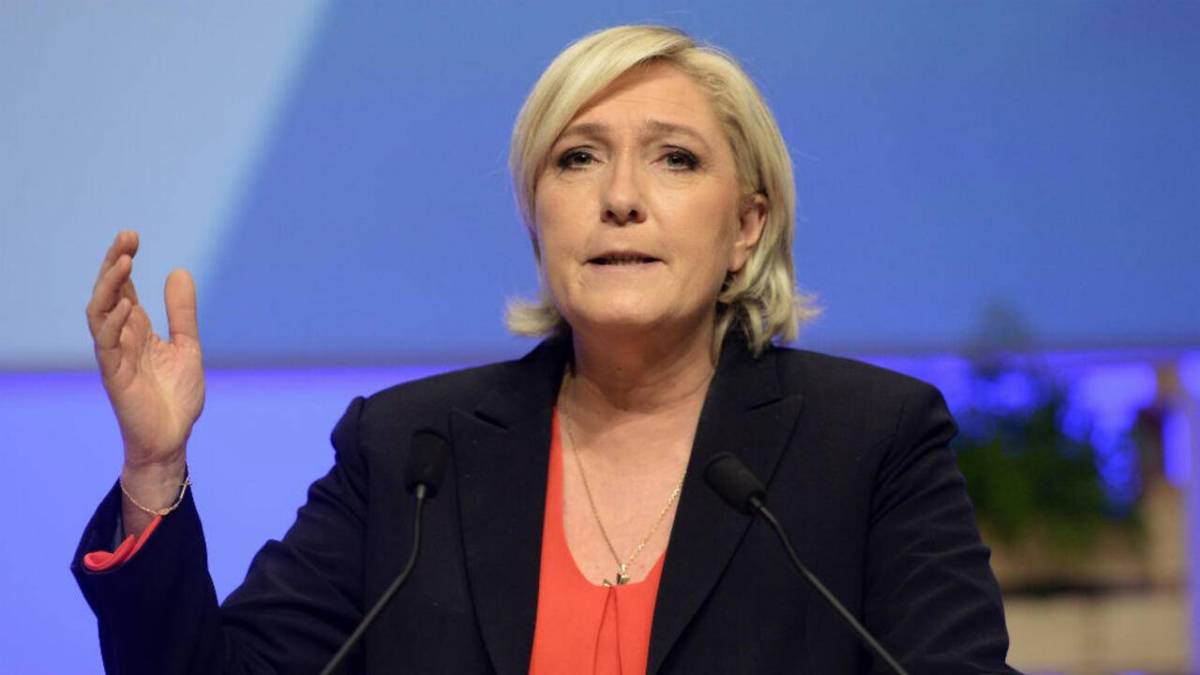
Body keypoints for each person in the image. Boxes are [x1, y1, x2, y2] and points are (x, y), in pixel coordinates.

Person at [74, 25, 1017, 674]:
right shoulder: (412, 451)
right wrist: (154, 466)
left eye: (675, 158)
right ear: (538, 220)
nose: (620, 198)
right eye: (577, 158)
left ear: (746, 227)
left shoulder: (868, 441)